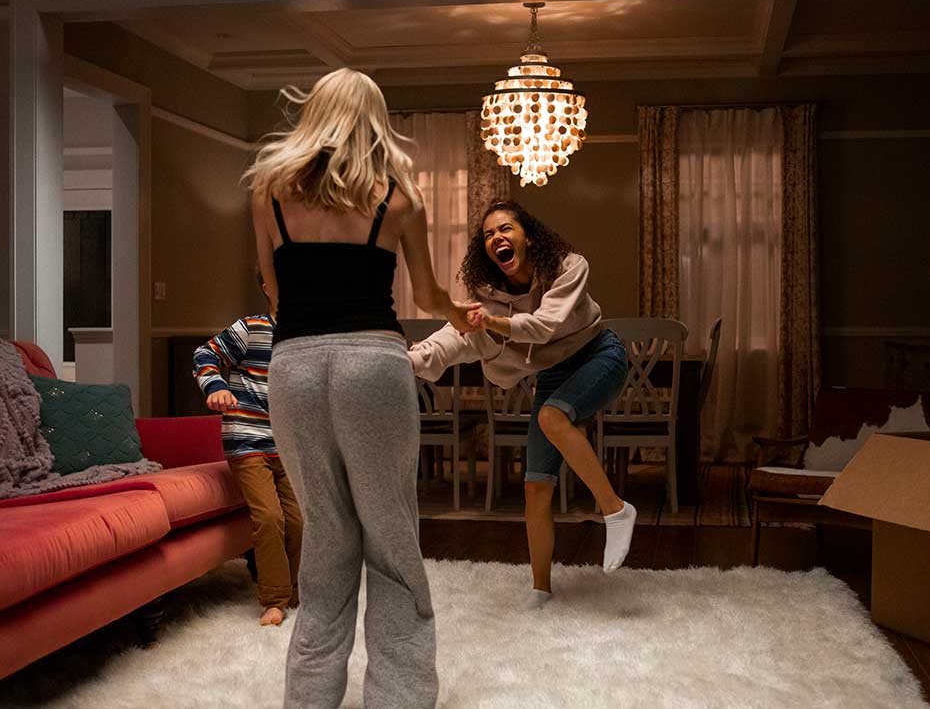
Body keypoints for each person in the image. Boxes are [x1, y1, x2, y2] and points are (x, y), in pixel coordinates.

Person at [243, 68, 478, 709]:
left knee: (326, 533)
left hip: (293, 365)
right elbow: (426, 295)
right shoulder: (398, 198)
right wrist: (460, 315)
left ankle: (310, 697)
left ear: (314, 114)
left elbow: (273, 291)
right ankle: (398, 697)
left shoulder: (268, 192)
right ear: (375, 121)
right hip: (373, 365)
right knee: (391, 532)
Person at [409, 200, 636, 610]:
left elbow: (545, 326)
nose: (496, 237)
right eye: (488, 235)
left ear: (527, 237)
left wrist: (490, 322)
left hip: (599, 355)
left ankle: (615, 510)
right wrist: (402, 360)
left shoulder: (569, 267)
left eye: (505, 229)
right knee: (535, 486)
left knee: (551, 416)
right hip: (552, 375)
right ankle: (540, 589)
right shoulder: (488, 300)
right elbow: (451, 337)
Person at [193, 271, 302, 627]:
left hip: (289, 446)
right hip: (248, 438)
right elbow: (205, 353)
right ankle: (275, 600)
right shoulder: (251, 328)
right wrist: (215, 387)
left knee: (300, 520)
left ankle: (296, 593)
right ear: (268, 287)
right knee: (270, 518)